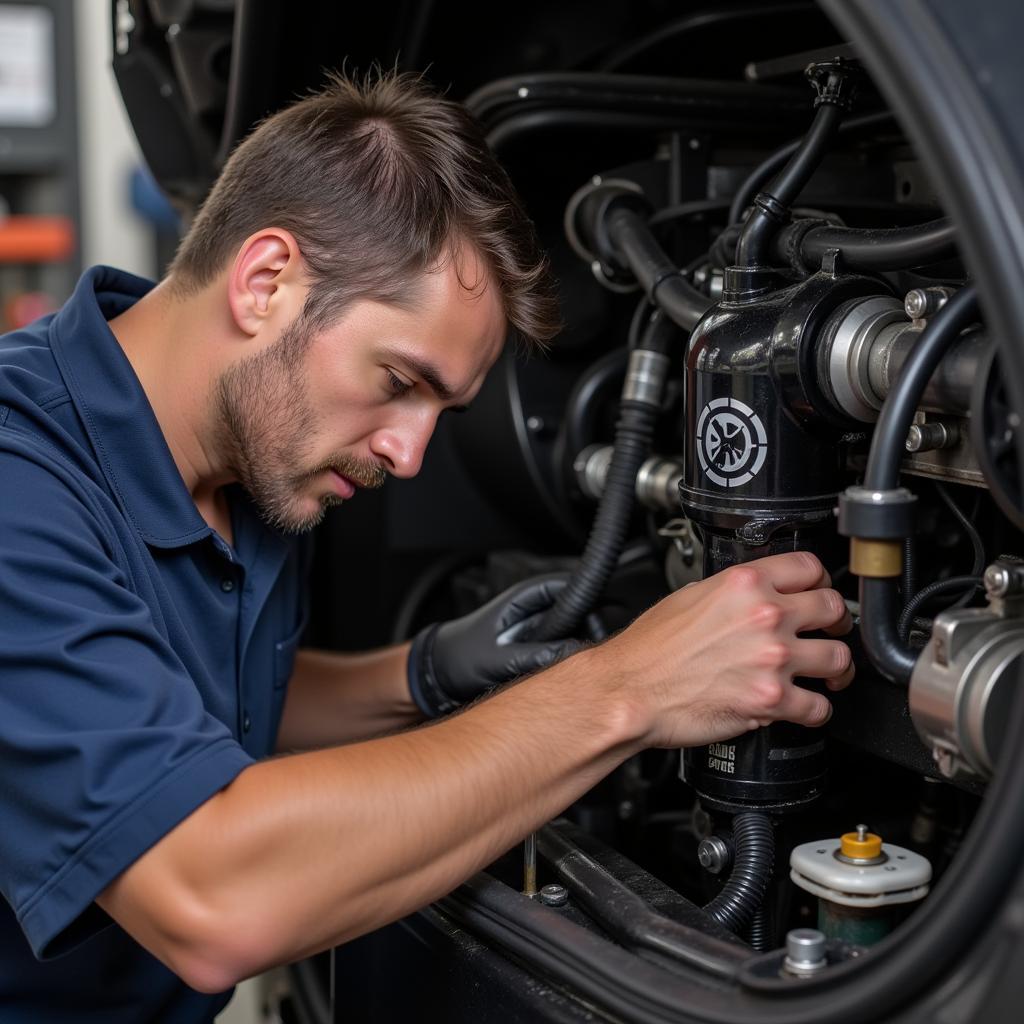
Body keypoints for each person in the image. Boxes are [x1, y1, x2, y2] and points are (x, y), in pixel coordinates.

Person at [0, 71, 853, 1022]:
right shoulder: (18, 484)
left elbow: (197, 710)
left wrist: (420, 675)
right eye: (398, 379)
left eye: (440, 409)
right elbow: (212, 900)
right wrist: (628, 690)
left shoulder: (248, 457)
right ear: (267, 280)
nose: (407, 455)